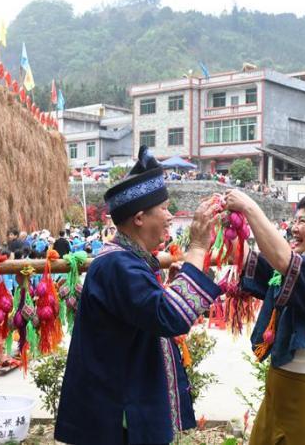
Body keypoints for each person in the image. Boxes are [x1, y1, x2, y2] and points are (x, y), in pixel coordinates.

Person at [55, 146, 222, 445]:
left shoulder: (127, 260)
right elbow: (172, 317)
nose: (170, 217)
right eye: (165, 209)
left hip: (123, 404)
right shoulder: (117, 264)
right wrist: (197, 246)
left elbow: (148, 311)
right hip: (120, 416)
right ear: (140, 218)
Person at [225, 189, 305, 445]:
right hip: (278, 384)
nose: (294, 228)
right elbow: (242, 258)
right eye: (294, 220)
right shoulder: (289, 269)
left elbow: (281, 258)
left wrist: (250, 208)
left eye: (303, 221)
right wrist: (229, 225)